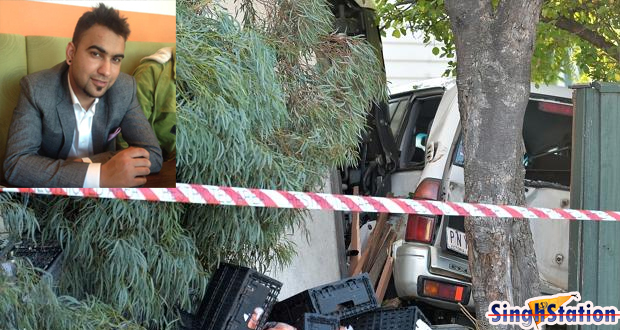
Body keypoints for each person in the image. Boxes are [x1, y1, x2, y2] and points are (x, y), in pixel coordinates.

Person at [3, 3, 162, 188]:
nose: (107, 71)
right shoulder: (36, 89)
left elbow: (153, 155)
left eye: (116, 59)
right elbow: (16, 165)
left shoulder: (124, 89)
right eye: (96, 54)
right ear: (71, 53)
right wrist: (100, 175)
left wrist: (88, 165)